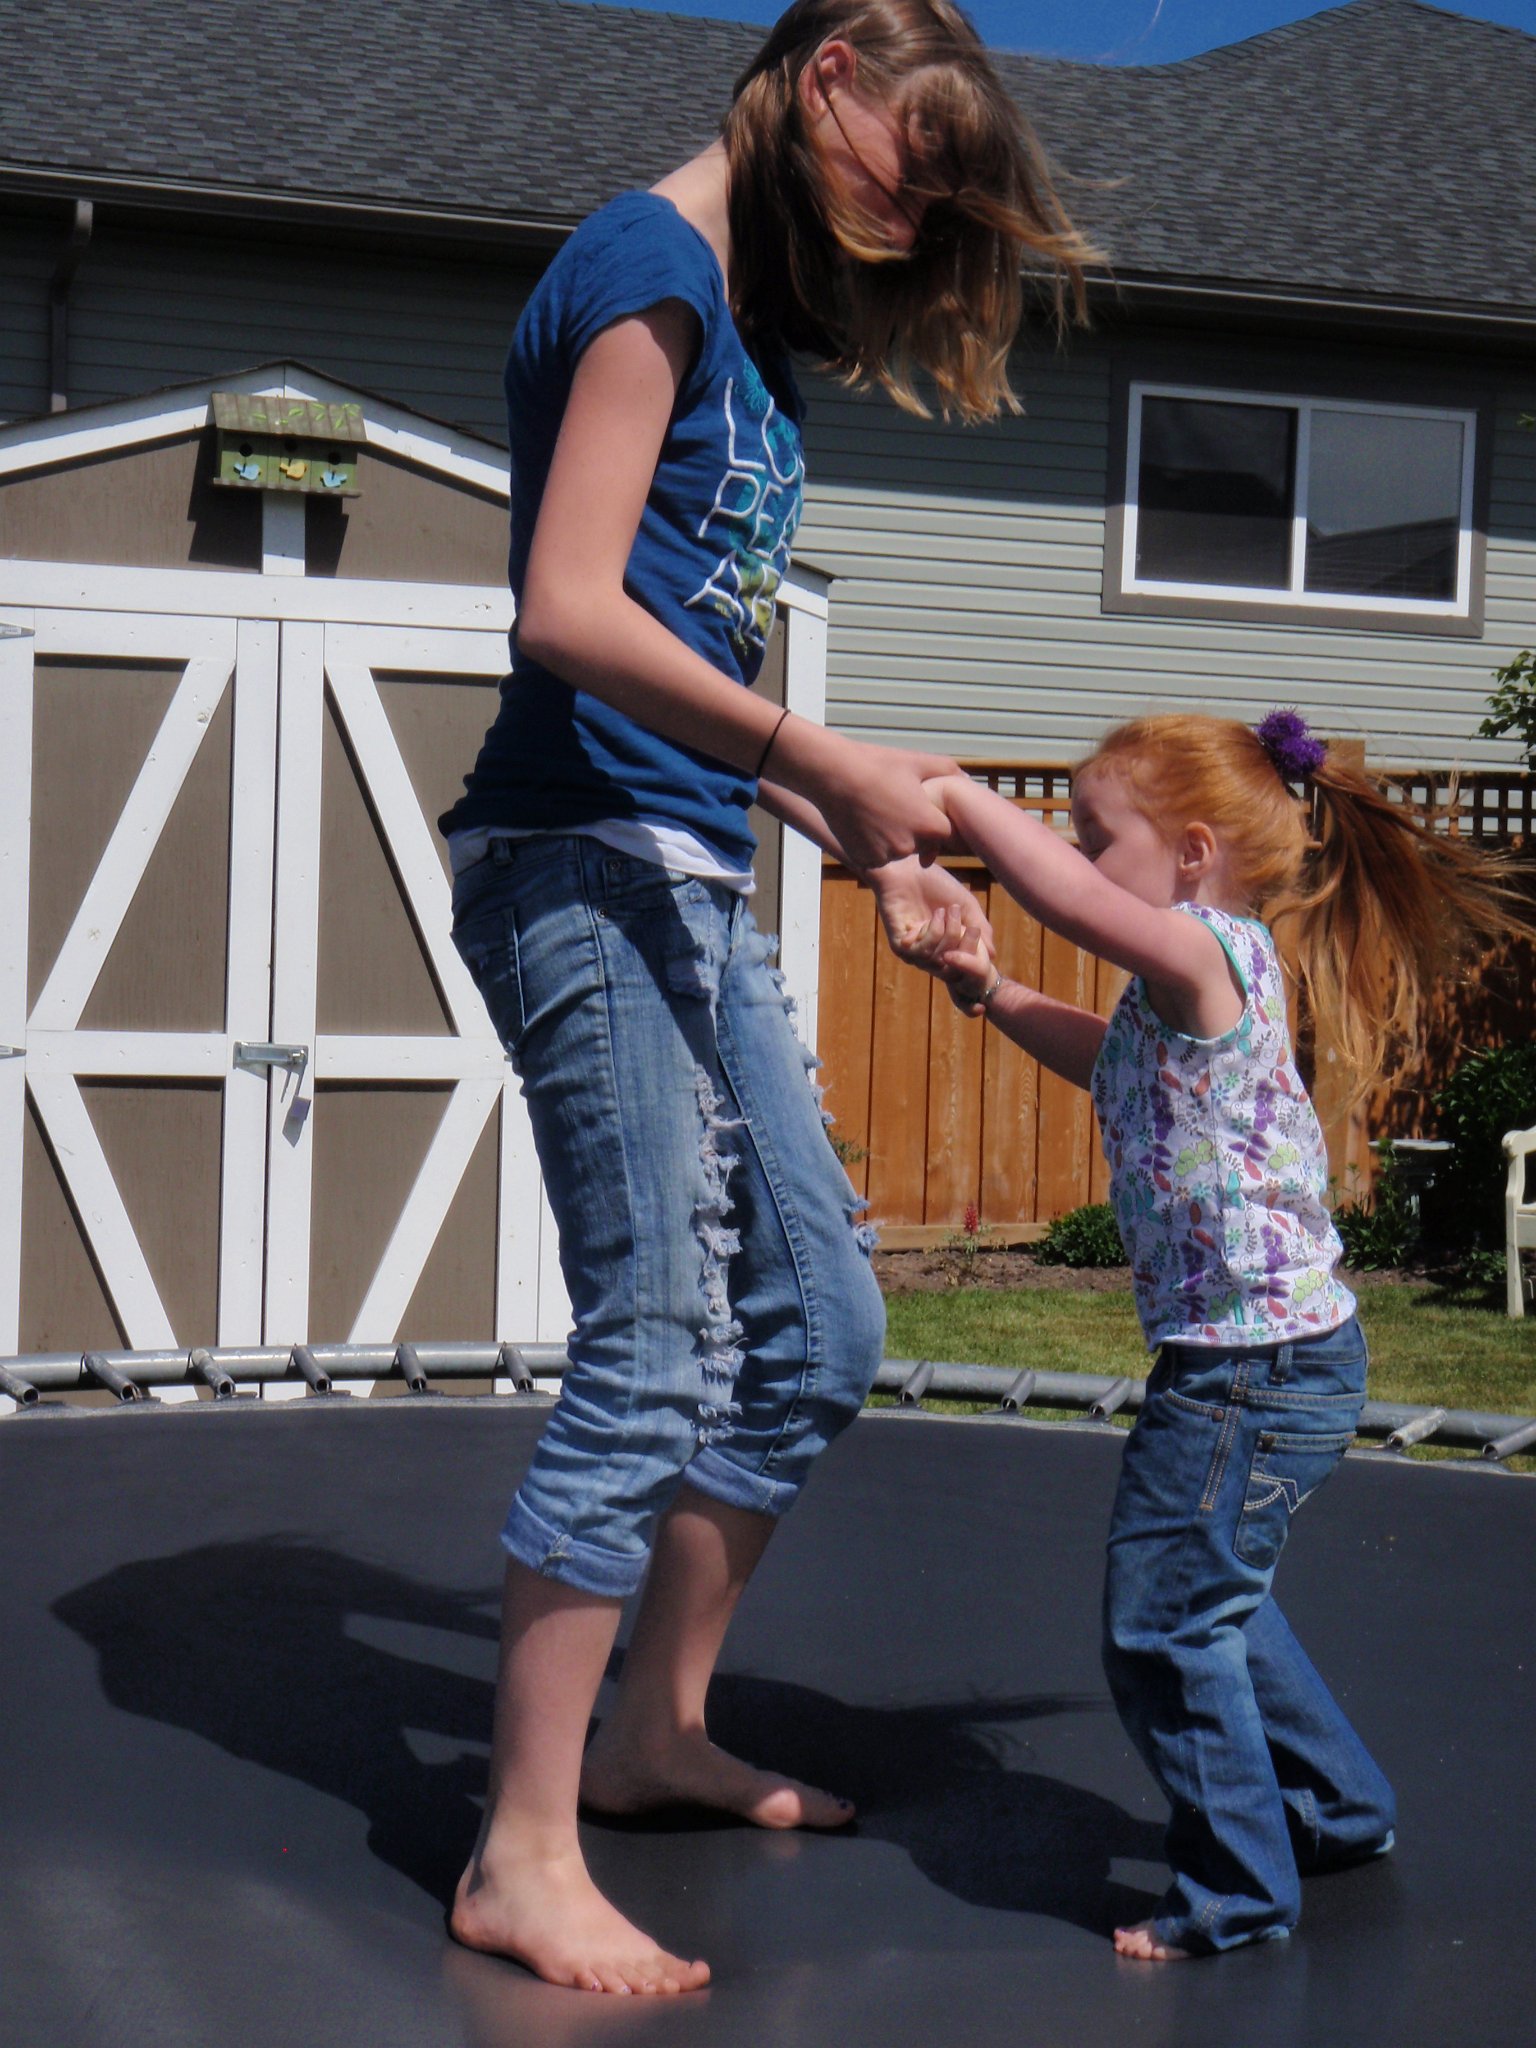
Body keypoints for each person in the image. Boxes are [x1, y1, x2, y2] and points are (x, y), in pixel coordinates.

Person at [437, 0, 1094, 1995]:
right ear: (826, 82)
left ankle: (649, 1731)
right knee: (653, 1342)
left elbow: (688, 660)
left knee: (821, 1320)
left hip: (687, 859)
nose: (914, 218)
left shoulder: (747, 320)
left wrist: (857, 839)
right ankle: (519, 1851)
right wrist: (824, 758)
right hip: (576, 862)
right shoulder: (645, 267)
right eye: (915, 168)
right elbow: (566, 609)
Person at [917, 711, 1535, 1959]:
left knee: (1164, 1621)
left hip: (1249, 1368)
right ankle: (1337, 1806)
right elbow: (1103, 1059)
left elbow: (1074, 905)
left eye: (1096, 833)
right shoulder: (1176, 991)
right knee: (1218, 1601)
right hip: (1261, 1357)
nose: (1076, 854)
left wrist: (958, 798)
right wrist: (989, 990)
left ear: (1193, 851)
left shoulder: (1207, 949)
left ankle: (1239, 1890)